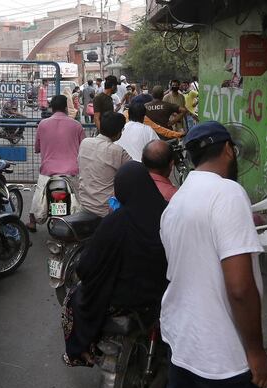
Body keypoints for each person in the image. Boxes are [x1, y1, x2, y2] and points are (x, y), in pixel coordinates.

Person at [160, 121, 267, 388]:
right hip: (222, 348)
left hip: (182, 336)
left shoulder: (177, 199)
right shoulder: (227, 194)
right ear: (228, 150)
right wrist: (256, 351)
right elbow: (240, 287)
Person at [63, 162, 168, 366]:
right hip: (160, 295)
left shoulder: (116, 222)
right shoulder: (168, 214)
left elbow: (87, 267)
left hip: (120, 299)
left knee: (73, 297)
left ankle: (81, 351)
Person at [28, 95, 86, 231]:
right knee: (79, 197)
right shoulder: (76, 125)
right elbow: (84, 148)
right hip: (72, 172)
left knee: (39, 193)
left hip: (48, 171)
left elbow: (37, 148)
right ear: (66, 108)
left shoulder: (42, 124)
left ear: (51, 108)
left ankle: (32, 221)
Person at [77, 111, 132, 217]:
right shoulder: (118, 151)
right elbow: (134, 170)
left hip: (84, 204)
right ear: (118, 132)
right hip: (105, 210)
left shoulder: (85, 143)